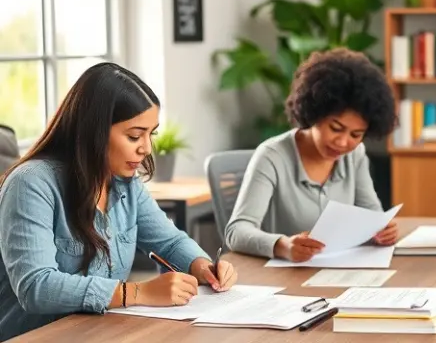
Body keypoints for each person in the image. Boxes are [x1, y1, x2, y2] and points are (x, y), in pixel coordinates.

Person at [0, 63, 239, 341]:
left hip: (101, 333)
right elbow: (36, 287)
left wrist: (202, 266)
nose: (146, 148)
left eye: (151, 135)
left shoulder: (125, 183)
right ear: (94, 132)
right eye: (134, 136)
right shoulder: (30, 183)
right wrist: (138, 292)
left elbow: (170, 242)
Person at [225, 48, 398, 262]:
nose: (343, 142)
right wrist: (283, 246)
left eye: (356, 134)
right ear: (315, 113)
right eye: (335, 128)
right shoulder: (272, 156)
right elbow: (237, 232)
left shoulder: (355, 155)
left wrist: (381, 230)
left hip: (341, 271)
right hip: (281, 281)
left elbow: (372, 215)